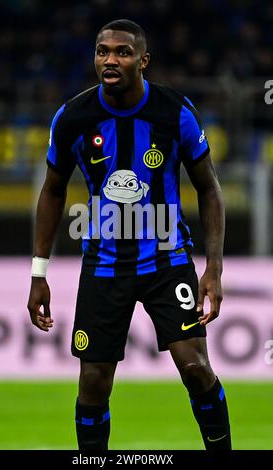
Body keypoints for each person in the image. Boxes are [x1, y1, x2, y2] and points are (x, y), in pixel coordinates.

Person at [27, 19, 231, 451]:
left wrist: (212, 268)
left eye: (122, 52)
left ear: (143, 60)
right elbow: (52, 191)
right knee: (94, 381)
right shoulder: (73, 117)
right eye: (103, 51)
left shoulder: (175, 112)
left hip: (167, 258)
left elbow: (210, 189)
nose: (110, 60)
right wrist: (38, 272)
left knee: (195, 366)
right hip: (103, 266)